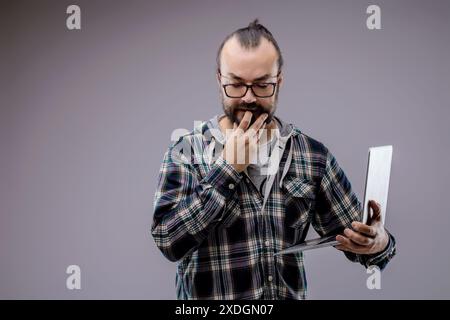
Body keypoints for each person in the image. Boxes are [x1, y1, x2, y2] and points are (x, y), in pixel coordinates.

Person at [151, 19, 396, 300]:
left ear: (278, 81)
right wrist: (228, 170)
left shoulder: (312, 155)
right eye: (236, 85)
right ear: (220, 80)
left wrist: (378, 242)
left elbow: (362, 245)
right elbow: (168, 242)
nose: (249, 97)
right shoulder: (187, 152)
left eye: (262, 85)